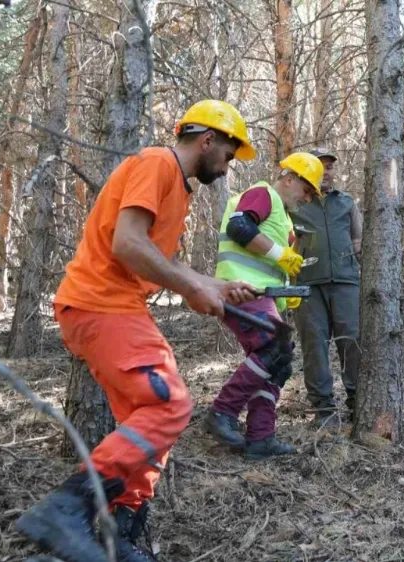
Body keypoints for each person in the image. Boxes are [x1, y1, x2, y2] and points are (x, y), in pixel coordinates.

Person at [15, 99, 258, 562]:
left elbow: (162, 259)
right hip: (101, 304)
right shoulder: (156, 163)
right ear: (207, 140)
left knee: (148, 424)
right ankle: (66, 509)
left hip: (117, 306)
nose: (227, 167)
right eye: (228, 154)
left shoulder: (177, 188)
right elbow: (127, 244)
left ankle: (118, 532)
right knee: (170, 407)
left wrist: (216, 285)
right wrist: (191, 287)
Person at [203, 151, 323, 460]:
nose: (307, 199)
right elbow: (240, 228)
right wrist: (280, 256)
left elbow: (267, 260)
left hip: (260, 296)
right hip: (240, 291)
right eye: (306, 190)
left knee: (278, 364)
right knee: (274, 351)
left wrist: (286, 290)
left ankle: (261, 437)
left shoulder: (282, 217)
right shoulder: (262, 193)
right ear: (289, 179)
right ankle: (222, 412)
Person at [287, 148, 363, 426]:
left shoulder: (346, 203)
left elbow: (359, 241)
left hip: (346, 282)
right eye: (321, 166)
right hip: (307, 285)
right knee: (314, 345)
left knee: (352, 341)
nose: (327, 172)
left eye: (330, 167)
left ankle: (358, 402)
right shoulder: (296, 202)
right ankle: (323, 411)